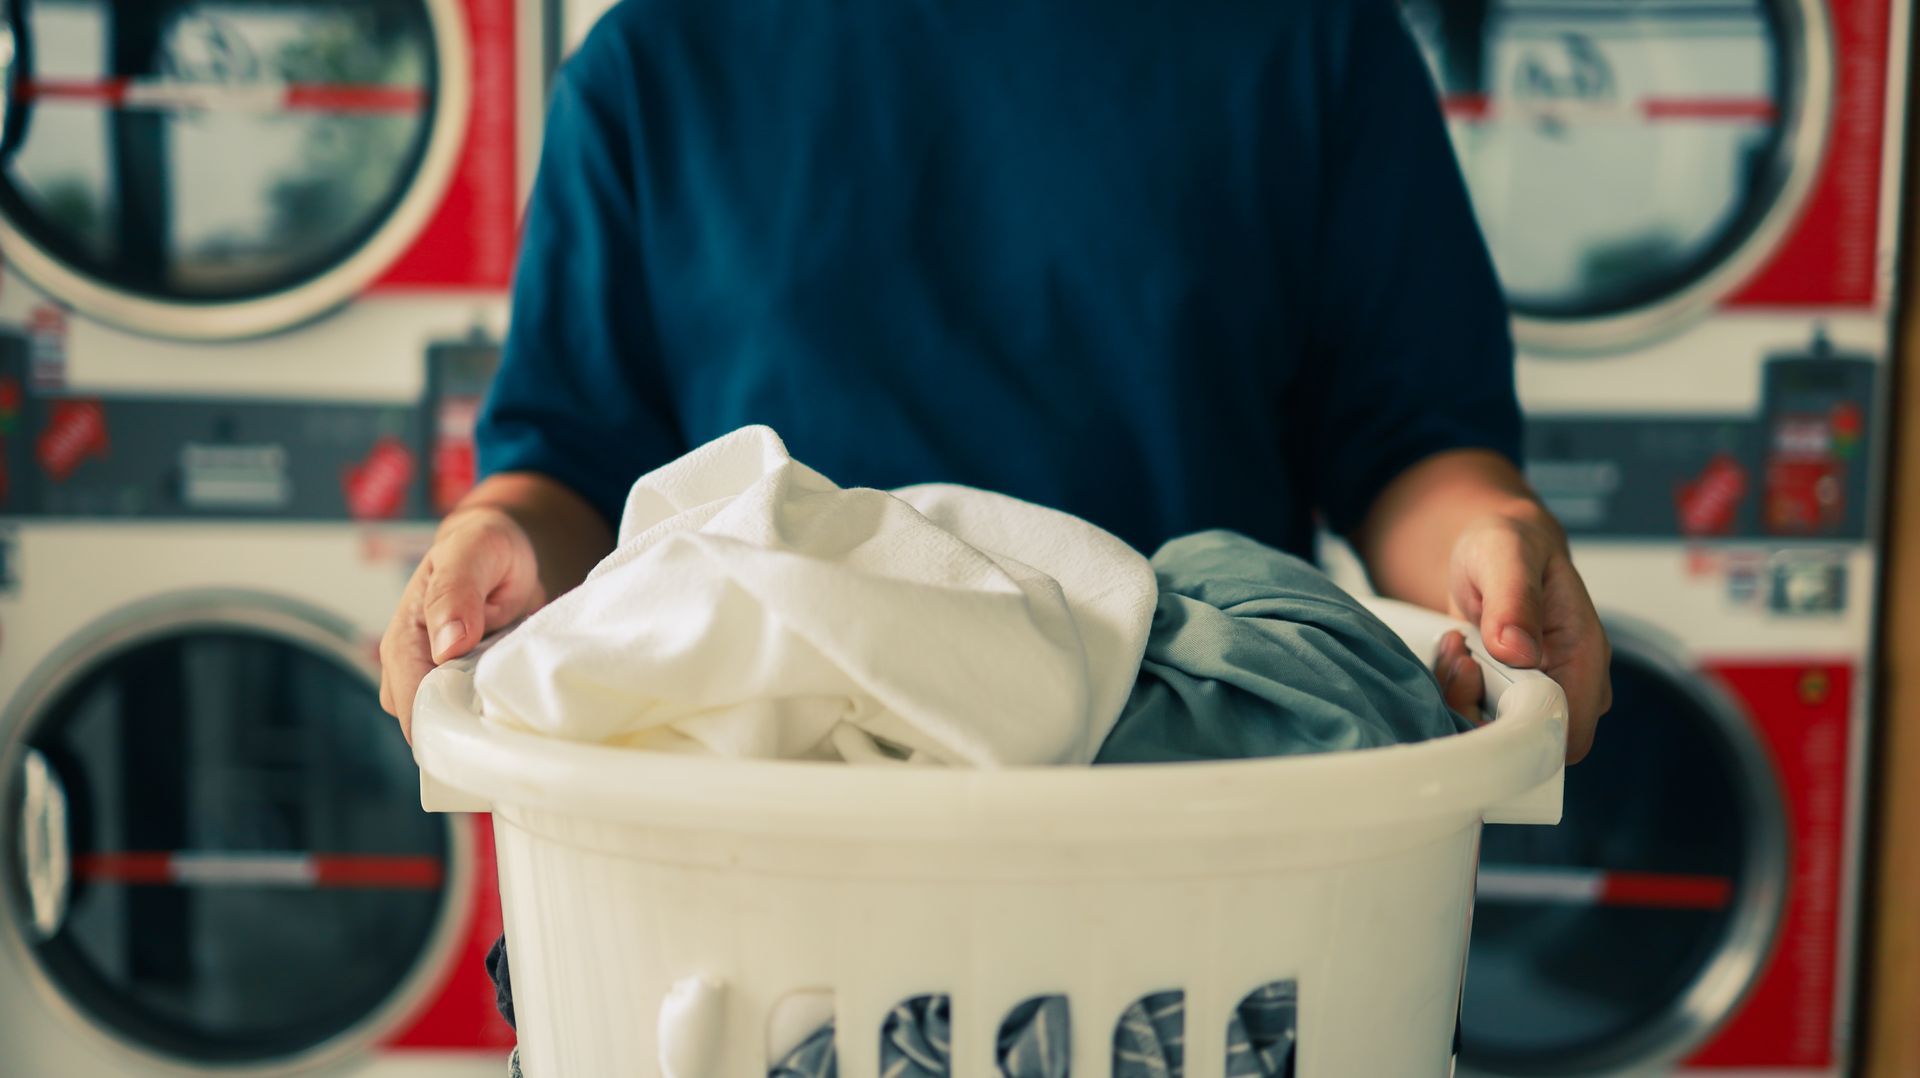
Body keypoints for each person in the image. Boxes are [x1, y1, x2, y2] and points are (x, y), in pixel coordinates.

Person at [379, 0, 1610, 757]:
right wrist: (496, 542)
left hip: (1193, 793)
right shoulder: (660, 63)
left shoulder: (1307, 38)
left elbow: (1407, 451)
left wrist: (1494, 548)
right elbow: (576, 475)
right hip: (762, 816)